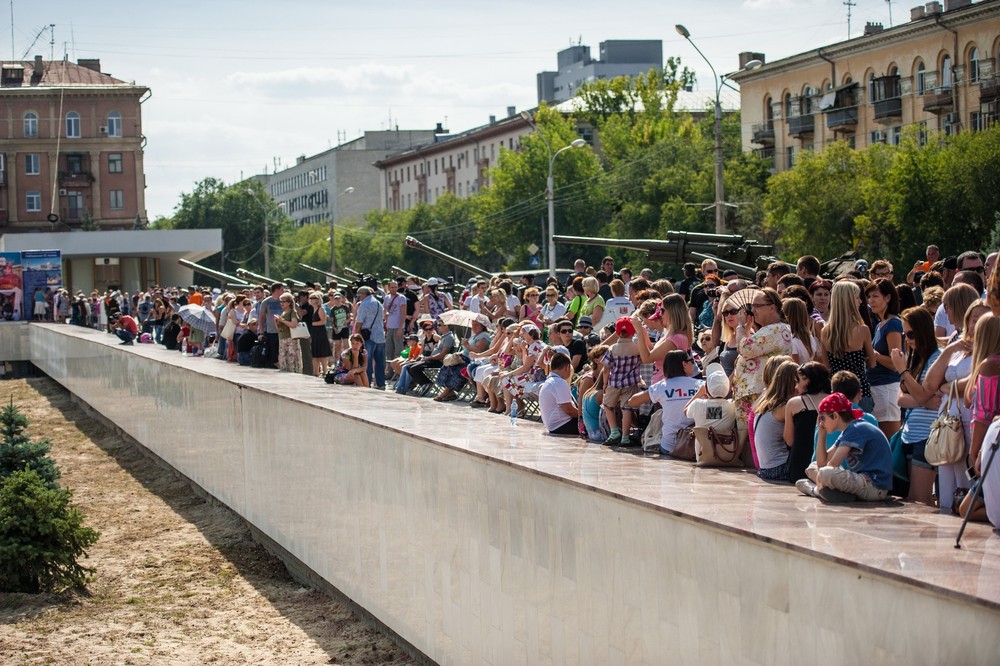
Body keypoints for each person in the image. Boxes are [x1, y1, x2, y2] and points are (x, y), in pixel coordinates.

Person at [797, 393, 893, 503]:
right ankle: (835, 493)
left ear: (835, 416)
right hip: (862, 482)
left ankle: (815, 490)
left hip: (874, 487)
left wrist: (823, 475)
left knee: (825, 473)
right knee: (812, 467)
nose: (821, 423)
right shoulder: (848, 431)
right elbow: (821, 463)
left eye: (822, 418)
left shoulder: (855, 428)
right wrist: (822, 433)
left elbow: (832, 465)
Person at [628, 350, 701, 456]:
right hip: (695, 447)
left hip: (669, 447)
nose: (693, 364)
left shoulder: (661, 386)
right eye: (691, 361)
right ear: (684, 364)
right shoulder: (700, 385)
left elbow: (632, 402)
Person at [820, 281, 876, 412]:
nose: (860, 302)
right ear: (849, 301)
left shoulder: (825, 332)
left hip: (836, 391)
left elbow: (827, 366)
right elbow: (872, 363)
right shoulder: (862, 329)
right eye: (857, 298)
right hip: (859, 390)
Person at [866, 278, 904, 437]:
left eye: (875, 296)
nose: (871, 301)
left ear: (888, 298)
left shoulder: (893, 324)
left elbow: (895, 363)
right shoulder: (879, 324)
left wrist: (872, 354)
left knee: (889, 439)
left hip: (887, 387)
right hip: (876, 387)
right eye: (869, 297)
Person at [784, 362, 832, 483]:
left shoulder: (794, 403)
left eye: (797, 381)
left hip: (800, 467)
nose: (796, 386)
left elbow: (789, 440)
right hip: (829, 463)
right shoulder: (835, 401)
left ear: (807, 380)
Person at [601, 317, 643, 447]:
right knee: (627, 409)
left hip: (614, 382)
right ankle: (625, 437)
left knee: (608, 405)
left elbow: (606, 369)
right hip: (631, 383)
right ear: (633, 332)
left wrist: (604, 384)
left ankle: (614, 432)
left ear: (617, 332)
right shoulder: (637, 348)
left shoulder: (612, 348)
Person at [538, 353, 581, 435]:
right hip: (562, 425)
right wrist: (585, 416)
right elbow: (569, 410)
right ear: (567, 367)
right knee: (593, 424)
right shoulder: (559, 382)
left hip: (554, 425)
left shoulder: (550, 381)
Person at [354, 286, 386, 389]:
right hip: (380, 335)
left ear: (363, 294)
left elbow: (359, 321)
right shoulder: (378, 303)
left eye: (359, 296)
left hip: (369, 335)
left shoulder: (364, 304)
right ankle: (381, 384)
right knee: (380, 361)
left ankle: (366, 382)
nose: (359, 298)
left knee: (366, 360)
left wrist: (356, 334)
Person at [273, 293, 302, 373]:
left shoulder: (292, 312)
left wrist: (282, 320)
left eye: (284, 301)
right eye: (280, 302)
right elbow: (279, 329)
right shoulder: (283, 313)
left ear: (289, 302)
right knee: (283, 359)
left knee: (292, 359)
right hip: (282, 338)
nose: (281, 303)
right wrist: (276, 321)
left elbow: (293, 324)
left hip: (291, 338)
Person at [308, 292, 333, 377]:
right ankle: (315, 372)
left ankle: (325, 371)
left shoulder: (320, 309)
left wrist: (311, 324)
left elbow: (323, 321)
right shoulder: (312, 309)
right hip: (314, 333)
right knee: (314, 353)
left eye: (313, 298)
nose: (311, 300)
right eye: (310, 298)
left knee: (322, 353)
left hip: (320, 332)